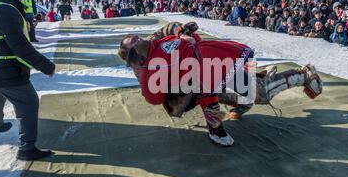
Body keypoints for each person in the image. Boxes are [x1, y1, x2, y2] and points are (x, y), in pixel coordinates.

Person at [118, 22, 323, 146]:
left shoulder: (155, 40)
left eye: (135, 37)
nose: (136, 39)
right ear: (133, 57)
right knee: (208, 91)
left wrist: (181, 32)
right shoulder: (148, 72)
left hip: (215, 60)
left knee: (260, 94)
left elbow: (168, 27)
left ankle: (302, 75)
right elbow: (154, 98)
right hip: (203, 75)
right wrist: (145, 72)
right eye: (132, 43)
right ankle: (246, 97)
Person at [0, 0, 55, 161]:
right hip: (4, 67)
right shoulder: (4, 10)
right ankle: (27, 148)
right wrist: (46, 66)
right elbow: (20, 46)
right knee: (28, 103)